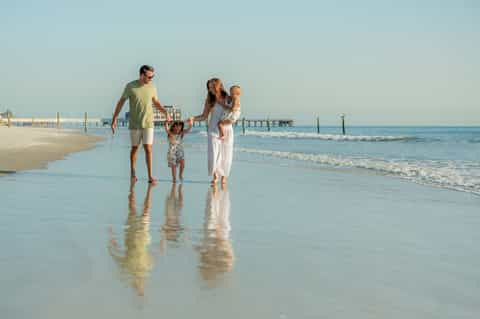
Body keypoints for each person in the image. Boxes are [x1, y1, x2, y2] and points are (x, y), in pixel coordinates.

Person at [111, 65, 171, 184]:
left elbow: (156, 102)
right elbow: (121, 102)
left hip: (148, 122)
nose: (151, 79)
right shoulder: (130, 86)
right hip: (135, 123)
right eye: (149, 77)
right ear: (142, 75)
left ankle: (150, 176)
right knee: (135, 148)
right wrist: (115, 118)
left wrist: (165, 113)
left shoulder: (152, 87)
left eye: (152, 77)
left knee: (148, 148)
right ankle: (133, 173)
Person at [190, 78, 235, 185]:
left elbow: (233, 111)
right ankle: (215, 175)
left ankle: (224, 176)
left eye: (212, 87)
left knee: (226, 153)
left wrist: (222, 103)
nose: (210, 90)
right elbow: (204, 116)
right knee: (214, 153)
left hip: (227, 128)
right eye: (209, 87)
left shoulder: (229, 98)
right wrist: (193, 118)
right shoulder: (209, 100)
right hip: (213, 129)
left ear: (219, 86)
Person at [164, 119, 193, 183]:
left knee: (183, 163)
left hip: (180, 150)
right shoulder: (170, 132)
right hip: (172, 152)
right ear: (173, 126)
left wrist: (191, 123)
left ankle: (180, 175)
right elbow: (166, 129)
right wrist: (166, 123)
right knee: (173, 166)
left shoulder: (181, 133)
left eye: (179, 127)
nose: (178, 128)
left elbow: (188, 130)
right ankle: (174, 178)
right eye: (176, 126)